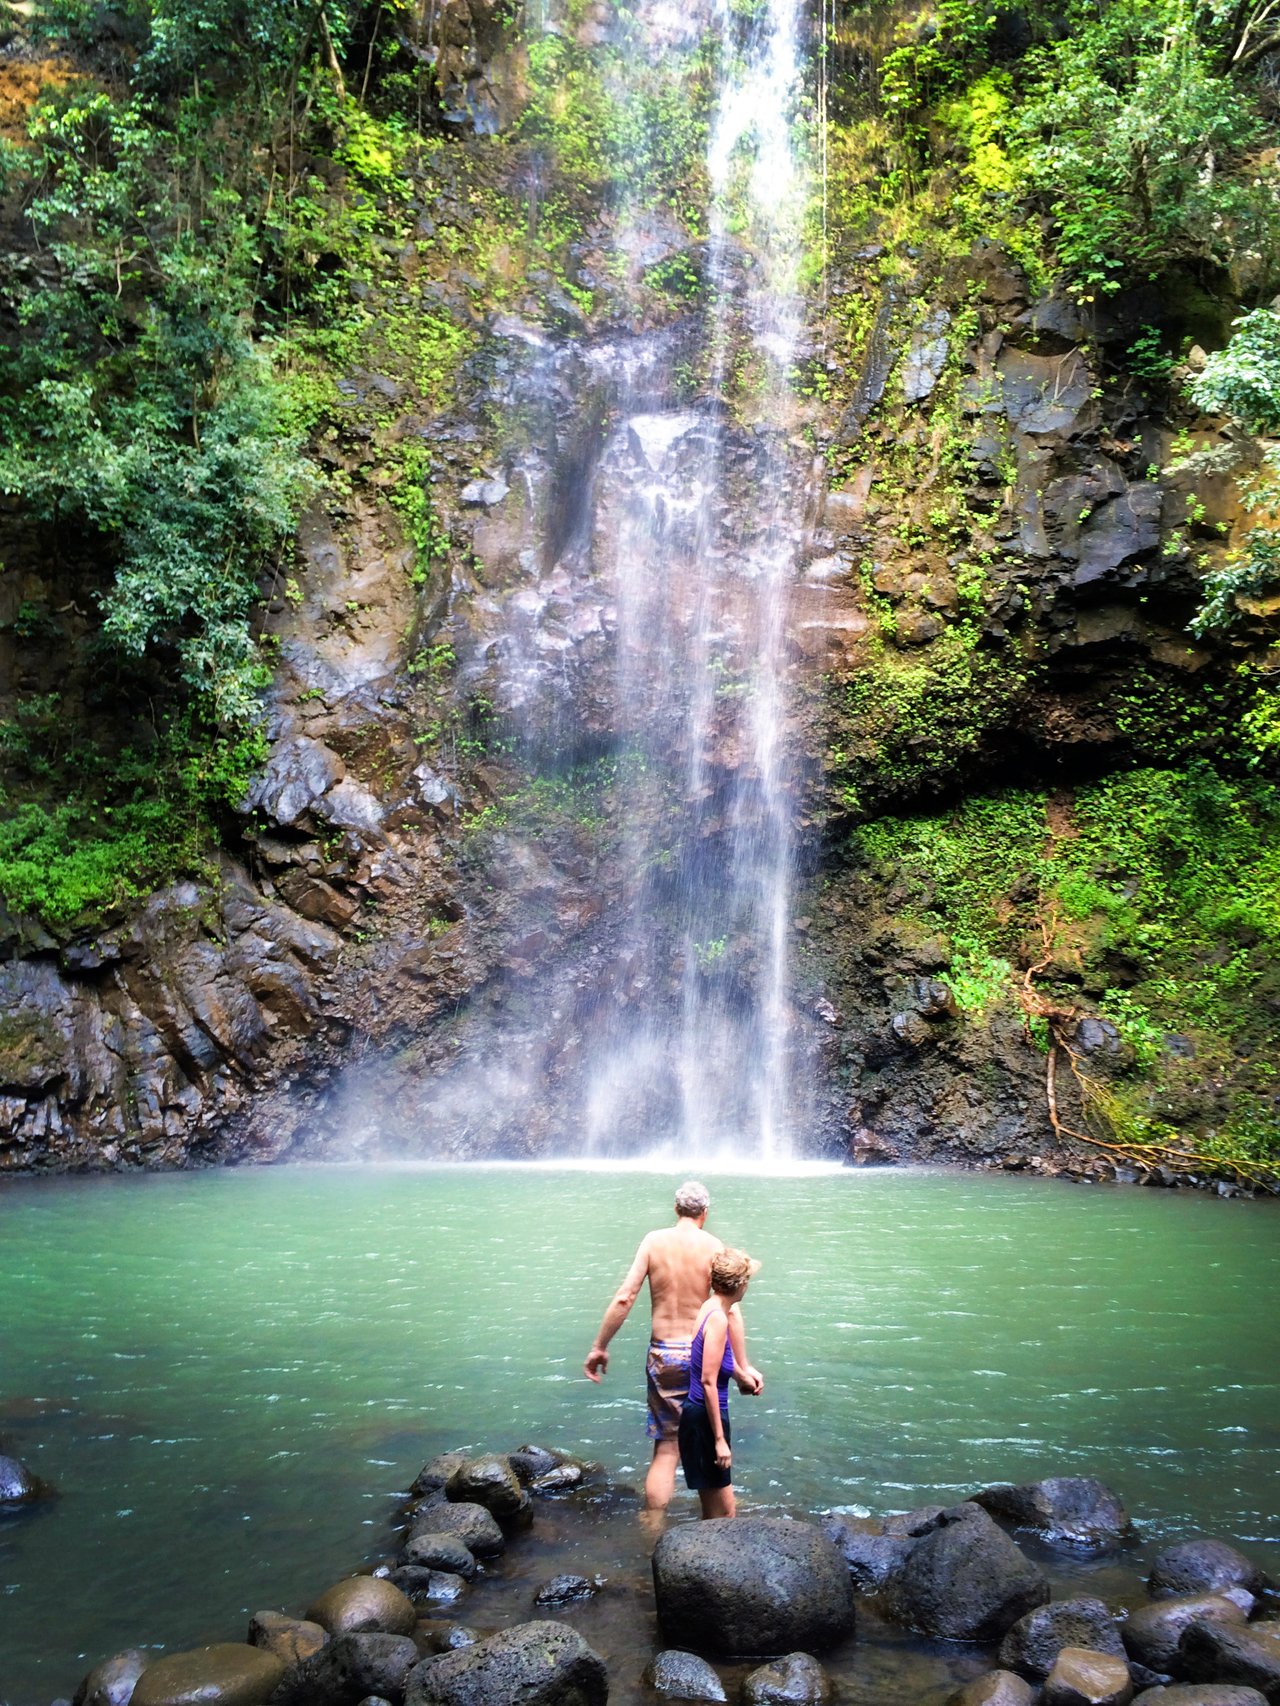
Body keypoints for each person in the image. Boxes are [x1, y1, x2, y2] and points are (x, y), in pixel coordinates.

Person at [583, 1180, 763, 1511]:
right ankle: (717, 1525)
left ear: (676, 1209)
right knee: (710, 1440)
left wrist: (600, 1345)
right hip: (701, 1353)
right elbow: (729, 1310)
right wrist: (742, 1365)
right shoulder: (712, 1246)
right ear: (704, 1213)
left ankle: (652, 1530)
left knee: (666, 1450)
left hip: (663, 1354)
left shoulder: (654, 1242)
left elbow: (625, 1297)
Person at [678, 1247, 759, 1519]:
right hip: (705, 1420)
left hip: (698, 1416)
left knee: (716, 1511)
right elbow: (708, 1381)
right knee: (725, 1515)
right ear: (741, 1284)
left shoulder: (709, 1307)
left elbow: (717, 1357)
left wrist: (741, 1376)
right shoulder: (719, 1319)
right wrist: (720, 1440)